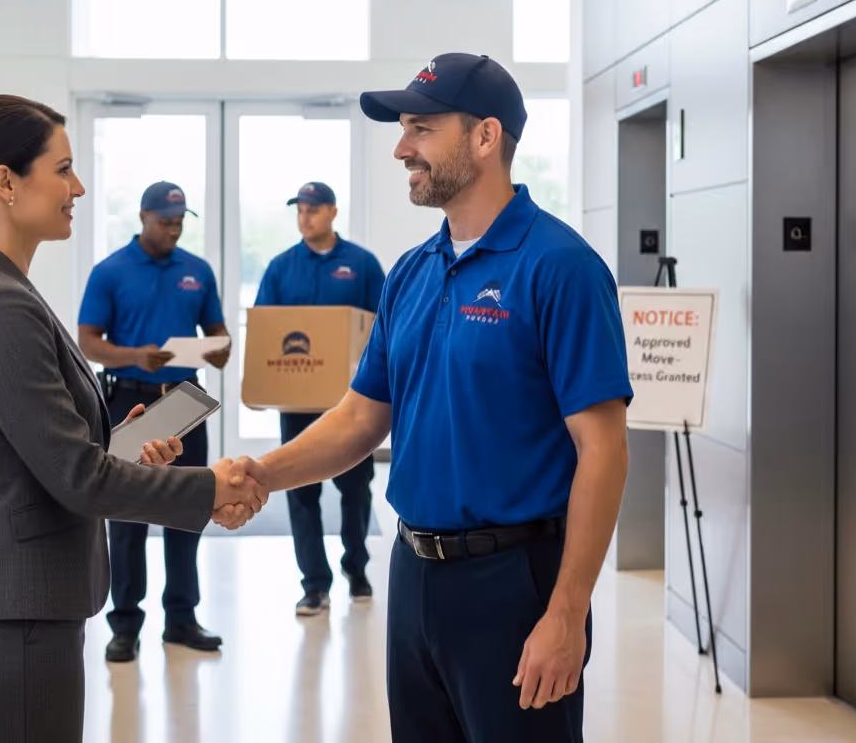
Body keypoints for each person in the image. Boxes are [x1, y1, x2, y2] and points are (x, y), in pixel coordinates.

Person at [215, 53, 633, 742]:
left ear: (485, 137)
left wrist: (566, 612)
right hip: (412, 575)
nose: (402, 148)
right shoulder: (411, 272)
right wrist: (260, 474)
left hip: (514, 582)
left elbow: (604, 450)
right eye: (404, 129)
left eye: (421, 129)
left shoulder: (561, 269)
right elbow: (357, 418)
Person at [0, 95, 265, 743]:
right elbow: (76, 478)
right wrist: (213, 487)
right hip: (10, 609)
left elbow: (38, 453)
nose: (78, 187)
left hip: (17, 601)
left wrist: (118, 448)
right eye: (64, 168)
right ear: (6, 183)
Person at [77, 181, 231, 662]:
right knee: (126, 518)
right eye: (166, 220)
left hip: (185, 404)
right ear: (143, 216)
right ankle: (124, 624)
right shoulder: (110, 272)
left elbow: (220, 340)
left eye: (181, 220)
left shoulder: (197, 271)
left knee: (190, 510)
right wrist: (134, 356)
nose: (174, 228)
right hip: (130, 402)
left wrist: (216, 349)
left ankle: (181, 620)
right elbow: (88, 341)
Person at [255, 181, 386, 616]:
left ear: (332, 212)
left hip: (351, 405)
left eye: (313, 209)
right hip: (297, 404)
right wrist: (259, 387)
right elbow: (265, 336)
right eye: (300, 210)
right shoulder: (280, 268)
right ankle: (314, 584)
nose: (305, 217)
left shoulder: (362, 265)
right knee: (300, 494)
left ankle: (356, 567)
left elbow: (384, 327)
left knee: (356, 491)